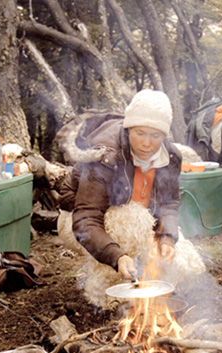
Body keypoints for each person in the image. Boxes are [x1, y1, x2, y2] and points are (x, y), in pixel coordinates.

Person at [61, 89, 181, 280]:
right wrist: (116, 256)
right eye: (140, 133)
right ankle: (104, 288)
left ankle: (137, 266)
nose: (146, 143)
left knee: (182, 260)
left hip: (131, 219)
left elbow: (170, 204)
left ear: (164, 135)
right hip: (77, 219)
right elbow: (86, 218)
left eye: (155, 136)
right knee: (132, 220)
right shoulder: (105, 156)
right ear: (129, 128)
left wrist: (167, 239)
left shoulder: (171, 157)